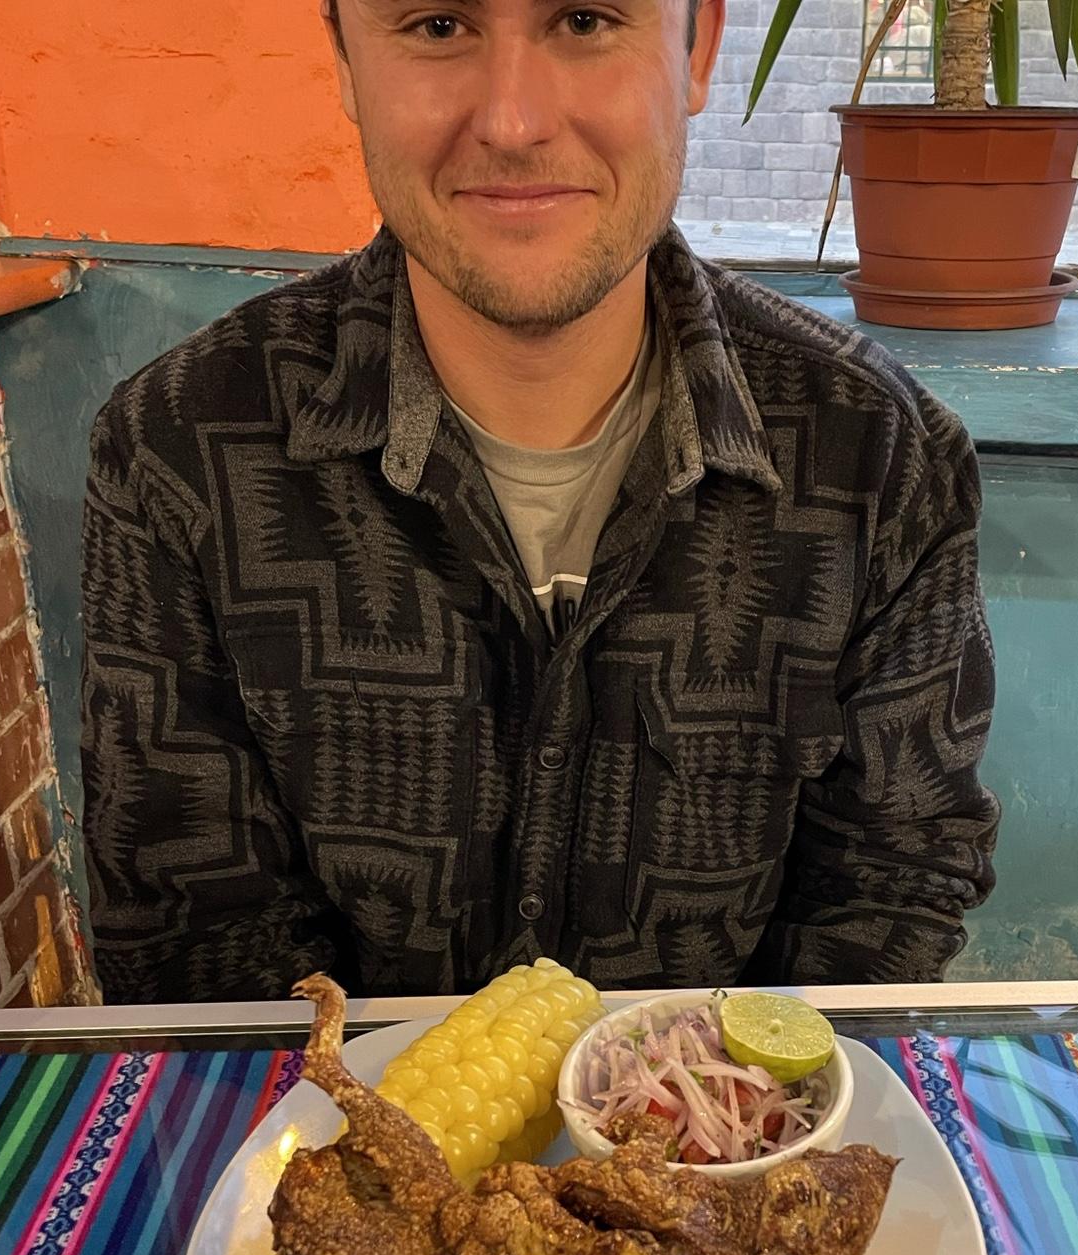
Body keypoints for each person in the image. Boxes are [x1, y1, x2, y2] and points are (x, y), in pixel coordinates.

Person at [80, 0, 1000, 1004]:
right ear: (345, 64)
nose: (513, 122)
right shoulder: (178, 444)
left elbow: (890, 890)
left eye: (586, 19)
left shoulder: (876, 452)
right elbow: (188, 927)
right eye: (437, 27)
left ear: (697, 51)